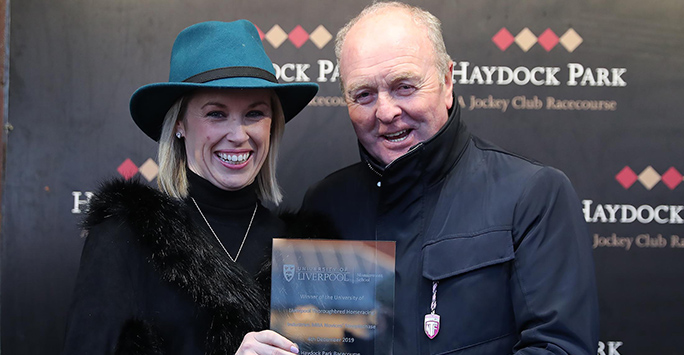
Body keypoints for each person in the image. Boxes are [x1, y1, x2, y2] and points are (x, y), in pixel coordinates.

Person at [300, 2, 599, 354]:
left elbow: (559, 347)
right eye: (363, 94)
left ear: (446, 80)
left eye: (404, 86)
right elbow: (312, 340)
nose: (385, 111)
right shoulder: (325, 204)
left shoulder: (532, 195)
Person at [63, 20, 317, 355]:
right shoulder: (123, 239)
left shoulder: (306, 253)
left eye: (255, 113)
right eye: (216, 114)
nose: (238, 135)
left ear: (273, 125)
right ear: (180, 124)